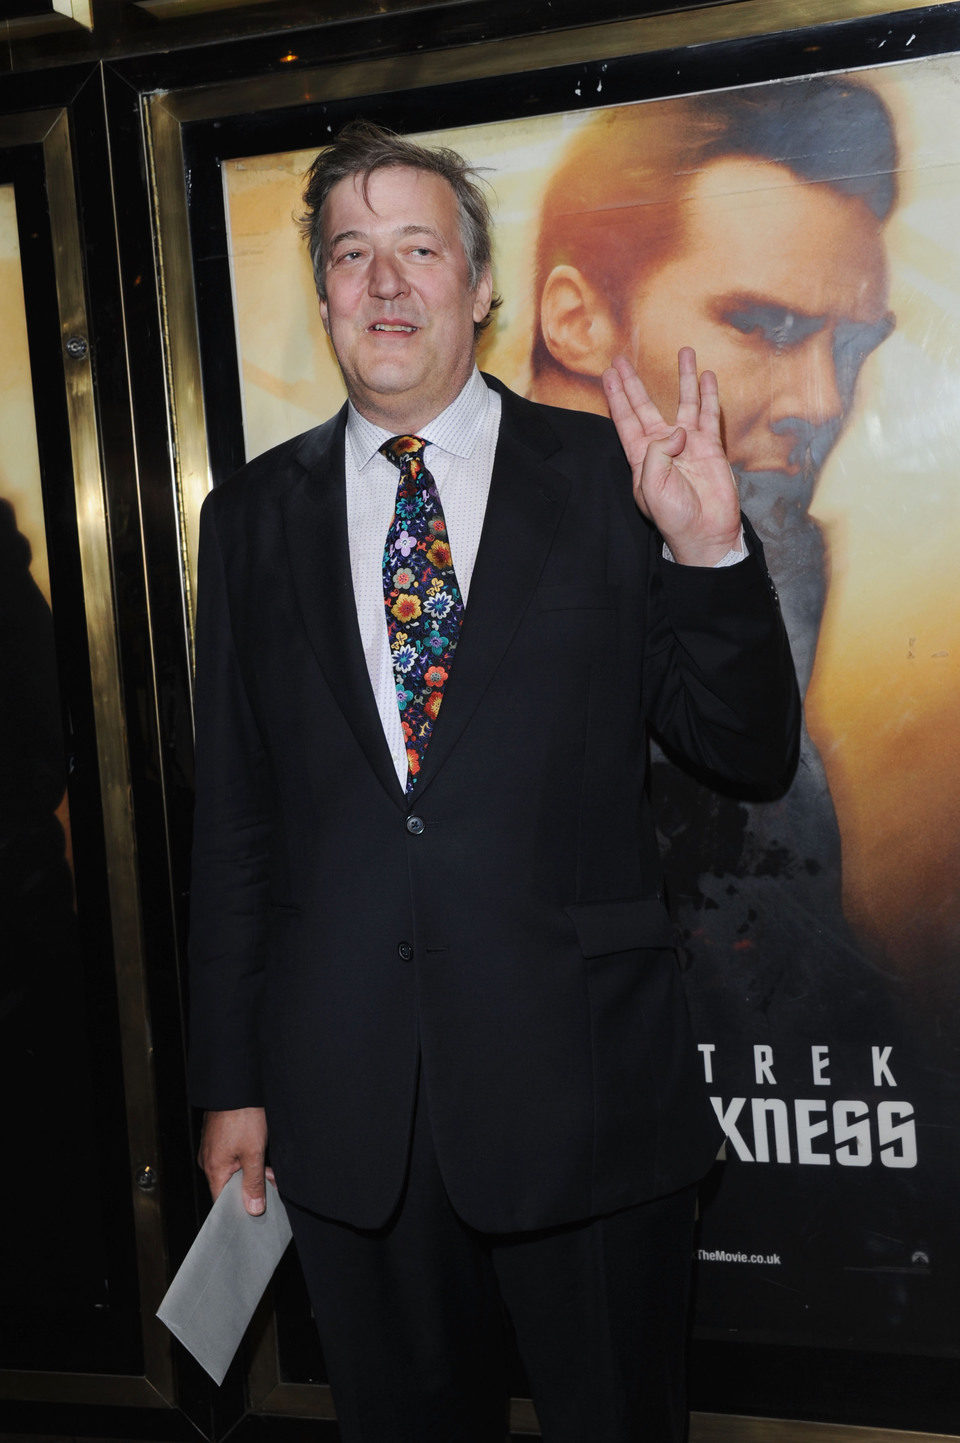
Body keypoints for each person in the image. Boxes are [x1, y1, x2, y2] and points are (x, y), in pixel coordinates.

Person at [188, 120, 799, 1442]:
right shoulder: (245, 522)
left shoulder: (605, 483)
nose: (387, 283)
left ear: (479, 287)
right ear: (325, 293)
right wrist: (231, 1080)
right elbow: (235, 822)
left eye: (420, 248)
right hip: (350, 1114)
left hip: (581, 1096)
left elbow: (747, 748)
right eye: (353, 255)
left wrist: (705, 546)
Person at [528, 79, 897, 1031]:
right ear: (577, 319)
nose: (822, 399)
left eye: (851, 346)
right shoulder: (467, 575)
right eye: (763, 325)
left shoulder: (773, 551)